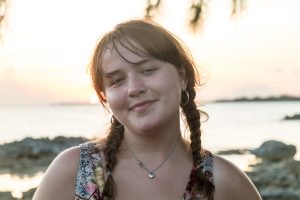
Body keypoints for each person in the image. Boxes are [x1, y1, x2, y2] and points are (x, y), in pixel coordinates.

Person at [33, 19, 262, 200]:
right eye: (117, 80)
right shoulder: (75, 171)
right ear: (105, 96)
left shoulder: (223, 182)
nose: (134, 88)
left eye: (148, 70)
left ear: (182, 76)